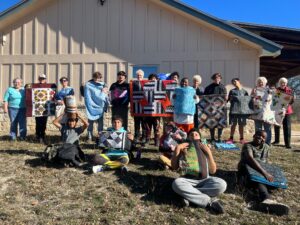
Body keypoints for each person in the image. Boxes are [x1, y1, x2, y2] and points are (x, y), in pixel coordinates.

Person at [171, 129, 227, 214]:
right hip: (187, 181)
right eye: (191, 134)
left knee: (222, 184)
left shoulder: (204, 148)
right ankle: (209, 202)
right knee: (176, 183)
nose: (194, 136)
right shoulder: (183, 147)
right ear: (188, 137)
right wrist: (178, 149)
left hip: (205, 180)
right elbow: (174, 167)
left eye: (196, 134)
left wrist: (209, 152)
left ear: (200, 137)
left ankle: (189, 196)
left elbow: (213, 171)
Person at [237, 130, 290, 215]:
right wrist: (264, 173)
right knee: (259, 180)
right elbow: (250, 159)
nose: (260, 137)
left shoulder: (266, 147)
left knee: (269, 180)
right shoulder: (248, 146)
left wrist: (268, 173)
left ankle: (267, 201)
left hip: (260, 170)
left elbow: (264, 162)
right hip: (246, 169)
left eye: (263, 137)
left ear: (265, 139)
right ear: (254, 135)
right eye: (258, 135)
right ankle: (266, 199)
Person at [84, 72, 109, 143]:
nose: (98, 79)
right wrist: (82, 87)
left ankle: (100, 137)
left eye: (99, 78)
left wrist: (105, 92)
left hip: (100, 106)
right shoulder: (88, 84)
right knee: (90, 122)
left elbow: (106, 95)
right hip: (91, 106)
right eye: (96, 77)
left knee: (100, 123)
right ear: (93, 77)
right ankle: (89, 137)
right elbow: (86, 94)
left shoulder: (104, 84)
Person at [204, 73, 227, 143]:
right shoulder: (208, 87)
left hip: (221, 109)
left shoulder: (223, 87)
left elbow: (225, 98)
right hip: (211, 109)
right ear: (213, 79)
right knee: (212, 123)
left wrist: (225, 98)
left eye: (218, 78)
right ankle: (212, 138)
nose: (217, 79)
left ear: (220, 79)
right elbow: (205, 98)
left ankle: (219, 138)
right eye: (215, 78)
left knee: (220, 124)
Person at [272, 77, 294, 149]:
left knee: (287, 127)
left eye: (284, 83)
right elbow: (274, 99)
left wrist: (290, 101)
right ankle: (276, 140)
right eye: (281, 82)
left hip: (287, 111)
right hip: (278, 110)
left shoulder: (289, 90)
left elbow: (292, 100)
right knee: (277, 125)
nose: (283, 84)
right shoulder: (277, 90)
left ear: (286, 83)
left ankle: (287, 143)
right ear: (279, 83)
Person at [227, 78, 249, 144]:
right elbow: (228, 100)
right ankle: (231, 138)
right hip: (234, 110)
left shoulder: (245, 91)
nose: (234, 83)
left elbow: (247, 101)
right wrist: (230, 99)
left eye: (235, 81)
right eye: (233, 82)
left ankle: (241, 138)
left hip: (242, 111)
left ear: (239, 81)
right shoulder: (232, 91)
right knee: (233, 125)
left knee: (241, 125)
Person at [251, 77, 272, 145]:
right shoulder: (255, 89)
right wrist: (252, 94)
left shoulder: (269, 90)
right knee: (258, 128)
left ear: (265, 83)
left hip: (267, 112)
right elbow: (250, 99)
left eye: (262, 82)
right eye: (259, 82)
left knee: (267, 129)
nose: (260, 83)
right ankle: (258, 142)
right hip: (257, 112)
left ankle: (267, 143)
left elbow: (275, 99)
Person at [144, 74, 161, 146]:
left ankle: (156, 140)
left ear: (157, 80)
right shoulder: (145, 87)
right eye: (151, 79)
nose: (153, 80)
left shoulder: (160, 87)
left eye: (154, 79)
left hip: (157, 110)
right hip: (147, 110)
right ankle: (147, 139)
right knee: (148, 126)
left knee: (156, 126)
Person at [133, 69, 146, 142]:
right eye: (138, 75)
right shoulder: (133, 83)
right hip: (136, 106)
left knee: (144, 123)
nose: (139, 76)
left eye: (140, 75)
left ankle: (144, 137)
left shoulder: (146, 83)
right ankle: (137, 136)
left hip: (144, 107)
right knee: (137, 123)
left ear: (143, 76)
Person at [35, 74, 49, 144]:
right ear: (38, 79)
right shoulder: (35, 86)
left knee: (44, 122)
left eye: (43, 78)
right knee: (38, 122)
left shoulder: (48, 87)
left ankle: (42, 135)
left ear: (45, 79)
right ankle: (37, 135)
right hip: (37, 108)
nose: (42, 80)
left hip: (45, 108)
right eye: (40, 78)